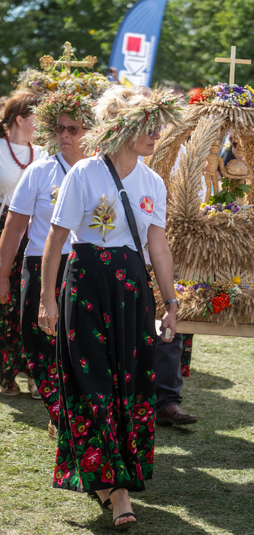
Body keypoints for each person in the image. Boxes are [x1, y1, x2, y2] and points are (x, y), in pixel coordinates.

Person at [38, 86, 183, 530]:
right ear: (122, 127)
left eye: (158, 126)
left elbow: (157, 246)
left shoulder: (153, 181)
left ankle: (114, 474)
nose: (156, 133)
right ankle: (115, 488)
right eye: (147, 125)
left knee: (130, 382)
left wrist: (171, 301)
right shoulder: (84, 173)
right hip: (85, 285)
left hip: (131, 289)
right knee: (92, 380)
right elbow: (57, 240)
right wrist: (47, 299)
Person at [0, 88, 96, 435]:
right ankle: (60, 412)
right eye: (59, 128)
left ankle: (72, 415)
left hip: (85, 266)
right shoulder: (40, 171)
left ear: (92, 131)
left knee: (81, 345)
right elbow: (14, 227)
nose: (64, 135)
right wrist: (2, 276)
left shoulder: (101, 171)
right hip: (40, 263)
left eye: (74, 129)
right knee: (38, 342)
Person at [0, 90, 45, 397]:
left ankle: (32, 371)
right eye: (36, 117)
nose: (41, 122)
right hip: (2, 230)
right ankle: (5, 372)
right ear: (19, 119)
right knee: (4, 304)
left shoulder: (41, 153)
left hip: (32, 235)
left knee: (27, 301)